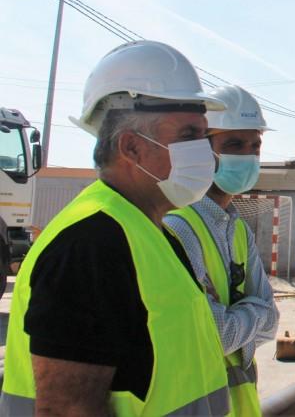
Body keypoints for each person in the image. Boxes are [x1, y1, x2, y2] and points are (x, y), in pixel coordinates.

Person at [1, 41, 230, 416]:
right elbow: (67, 409)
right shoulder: (89, 245)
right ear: (131, 147)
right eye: (189, 135)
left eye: (205, 138)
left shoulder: (151, 232)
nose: (207, 154)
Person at [164, 85, 279, 417]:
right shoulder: (178, 226)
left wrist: (239, 317)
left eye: (255, 146)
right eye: (234, 145)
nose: (247, 156)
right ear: (202, 151)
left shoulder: (238, 229)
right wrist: (255, 311)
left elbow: (272, 322)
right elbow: (216, 335)